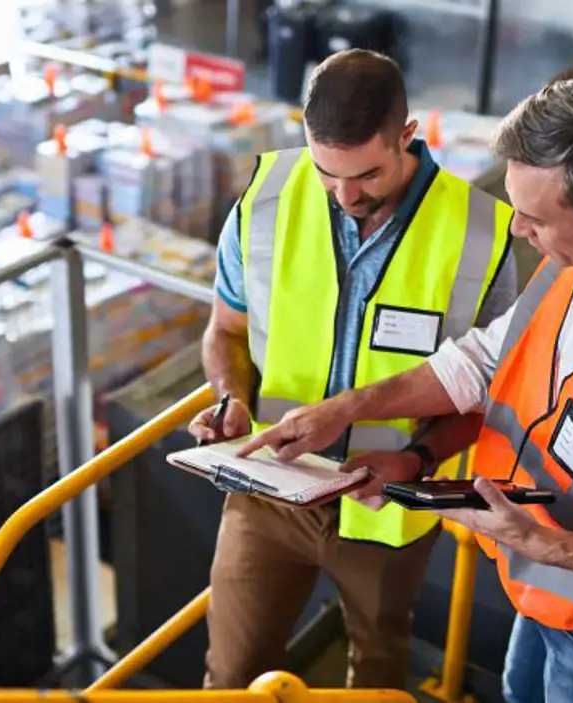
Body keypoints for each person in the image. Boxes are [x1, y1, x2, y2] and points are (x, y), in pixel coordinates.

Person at [239, 76, 573, 702]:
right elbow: (486, 358)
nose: (518, 228)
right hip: (549, 587)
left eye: (534, 217)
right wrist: (350, 409)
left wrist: (538, 540)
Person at [189, 49, 517, 689]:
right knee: (229, 678)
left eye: (365, 175)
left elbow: (489, 394)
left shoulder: (483, 235)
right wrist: (231, 397)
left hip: (387, 505)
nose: (343, 196)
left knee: (376, 681)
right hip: (267, 492)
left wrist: (418, 462)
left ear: (407, 136)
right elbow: (226, 330)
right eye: (325, 173)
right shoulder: (264, 200)